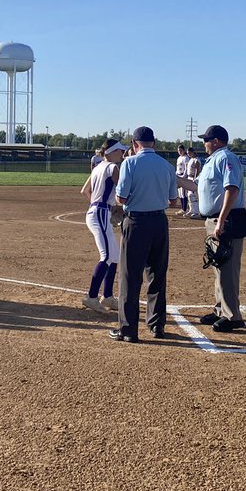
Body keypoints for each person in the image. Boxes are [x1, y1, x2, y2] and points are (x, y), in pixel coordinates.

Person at [110, 126, 179, 343]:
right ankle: (157, 325)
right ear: (154, 143)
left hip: (136, 222)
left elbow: (121, 198)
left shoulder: (130, 163)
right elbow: (173, 201)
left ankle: (128, 329)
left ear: (134, 144)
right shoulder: (167, 165)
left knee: (130, 276)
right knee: (157, 274)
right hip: (159, 222)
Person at [195, 125, 246, 330]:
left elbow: (232, 189)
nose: (204, 144)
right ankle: (220, 309)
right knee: (219, 266)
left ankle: (232, 316)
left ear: (216, 141)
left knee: (228, 268)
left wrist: (221, 220)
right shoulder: (212, 160)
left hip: (228, 219)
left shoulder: (226, 158)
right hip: (216, 219)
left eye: (206, 140)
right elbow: (197, 187)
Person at [79, 139, 127, 314]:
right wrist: (109, 206)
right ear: (112, 152)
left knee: (113, 256)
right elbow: (123, 190)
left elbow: (85, 191)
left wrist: (100, 204)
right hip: (100, 213)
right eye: (120, 151)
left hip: (98, 211)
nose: (122, 154)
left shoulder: (98, 167)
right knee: (107, 256)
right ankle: (91, 297)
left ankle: (107, 296)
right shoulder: (113, 167)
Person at [185, 147, 203, 218]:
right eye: (187, 153)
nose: (188, 154)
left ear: (193, 152)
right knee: (189, 195)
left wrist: (195, 180)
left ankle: (196, 212)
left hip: (193, 178)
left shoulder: (196, 160)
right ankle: (191, 210)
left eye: (189, 153)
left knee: (193, 195)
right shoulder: (191, 159)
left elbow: (197, 170)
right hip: (189, 177)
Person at [174, 144, 190, 215]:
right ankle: (182, 208)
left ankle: (184, 209)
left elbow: (186, 168)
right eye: (178, 150)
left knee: (183, 193)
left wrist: (184, 176)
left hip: (183, 176)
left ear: (184, 150)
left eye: (181, 150)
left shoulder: (186, 158)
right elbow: (177, 168)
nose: (179, 152)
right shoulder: (179, 158)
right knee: (180, 194)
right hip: (178, 175)